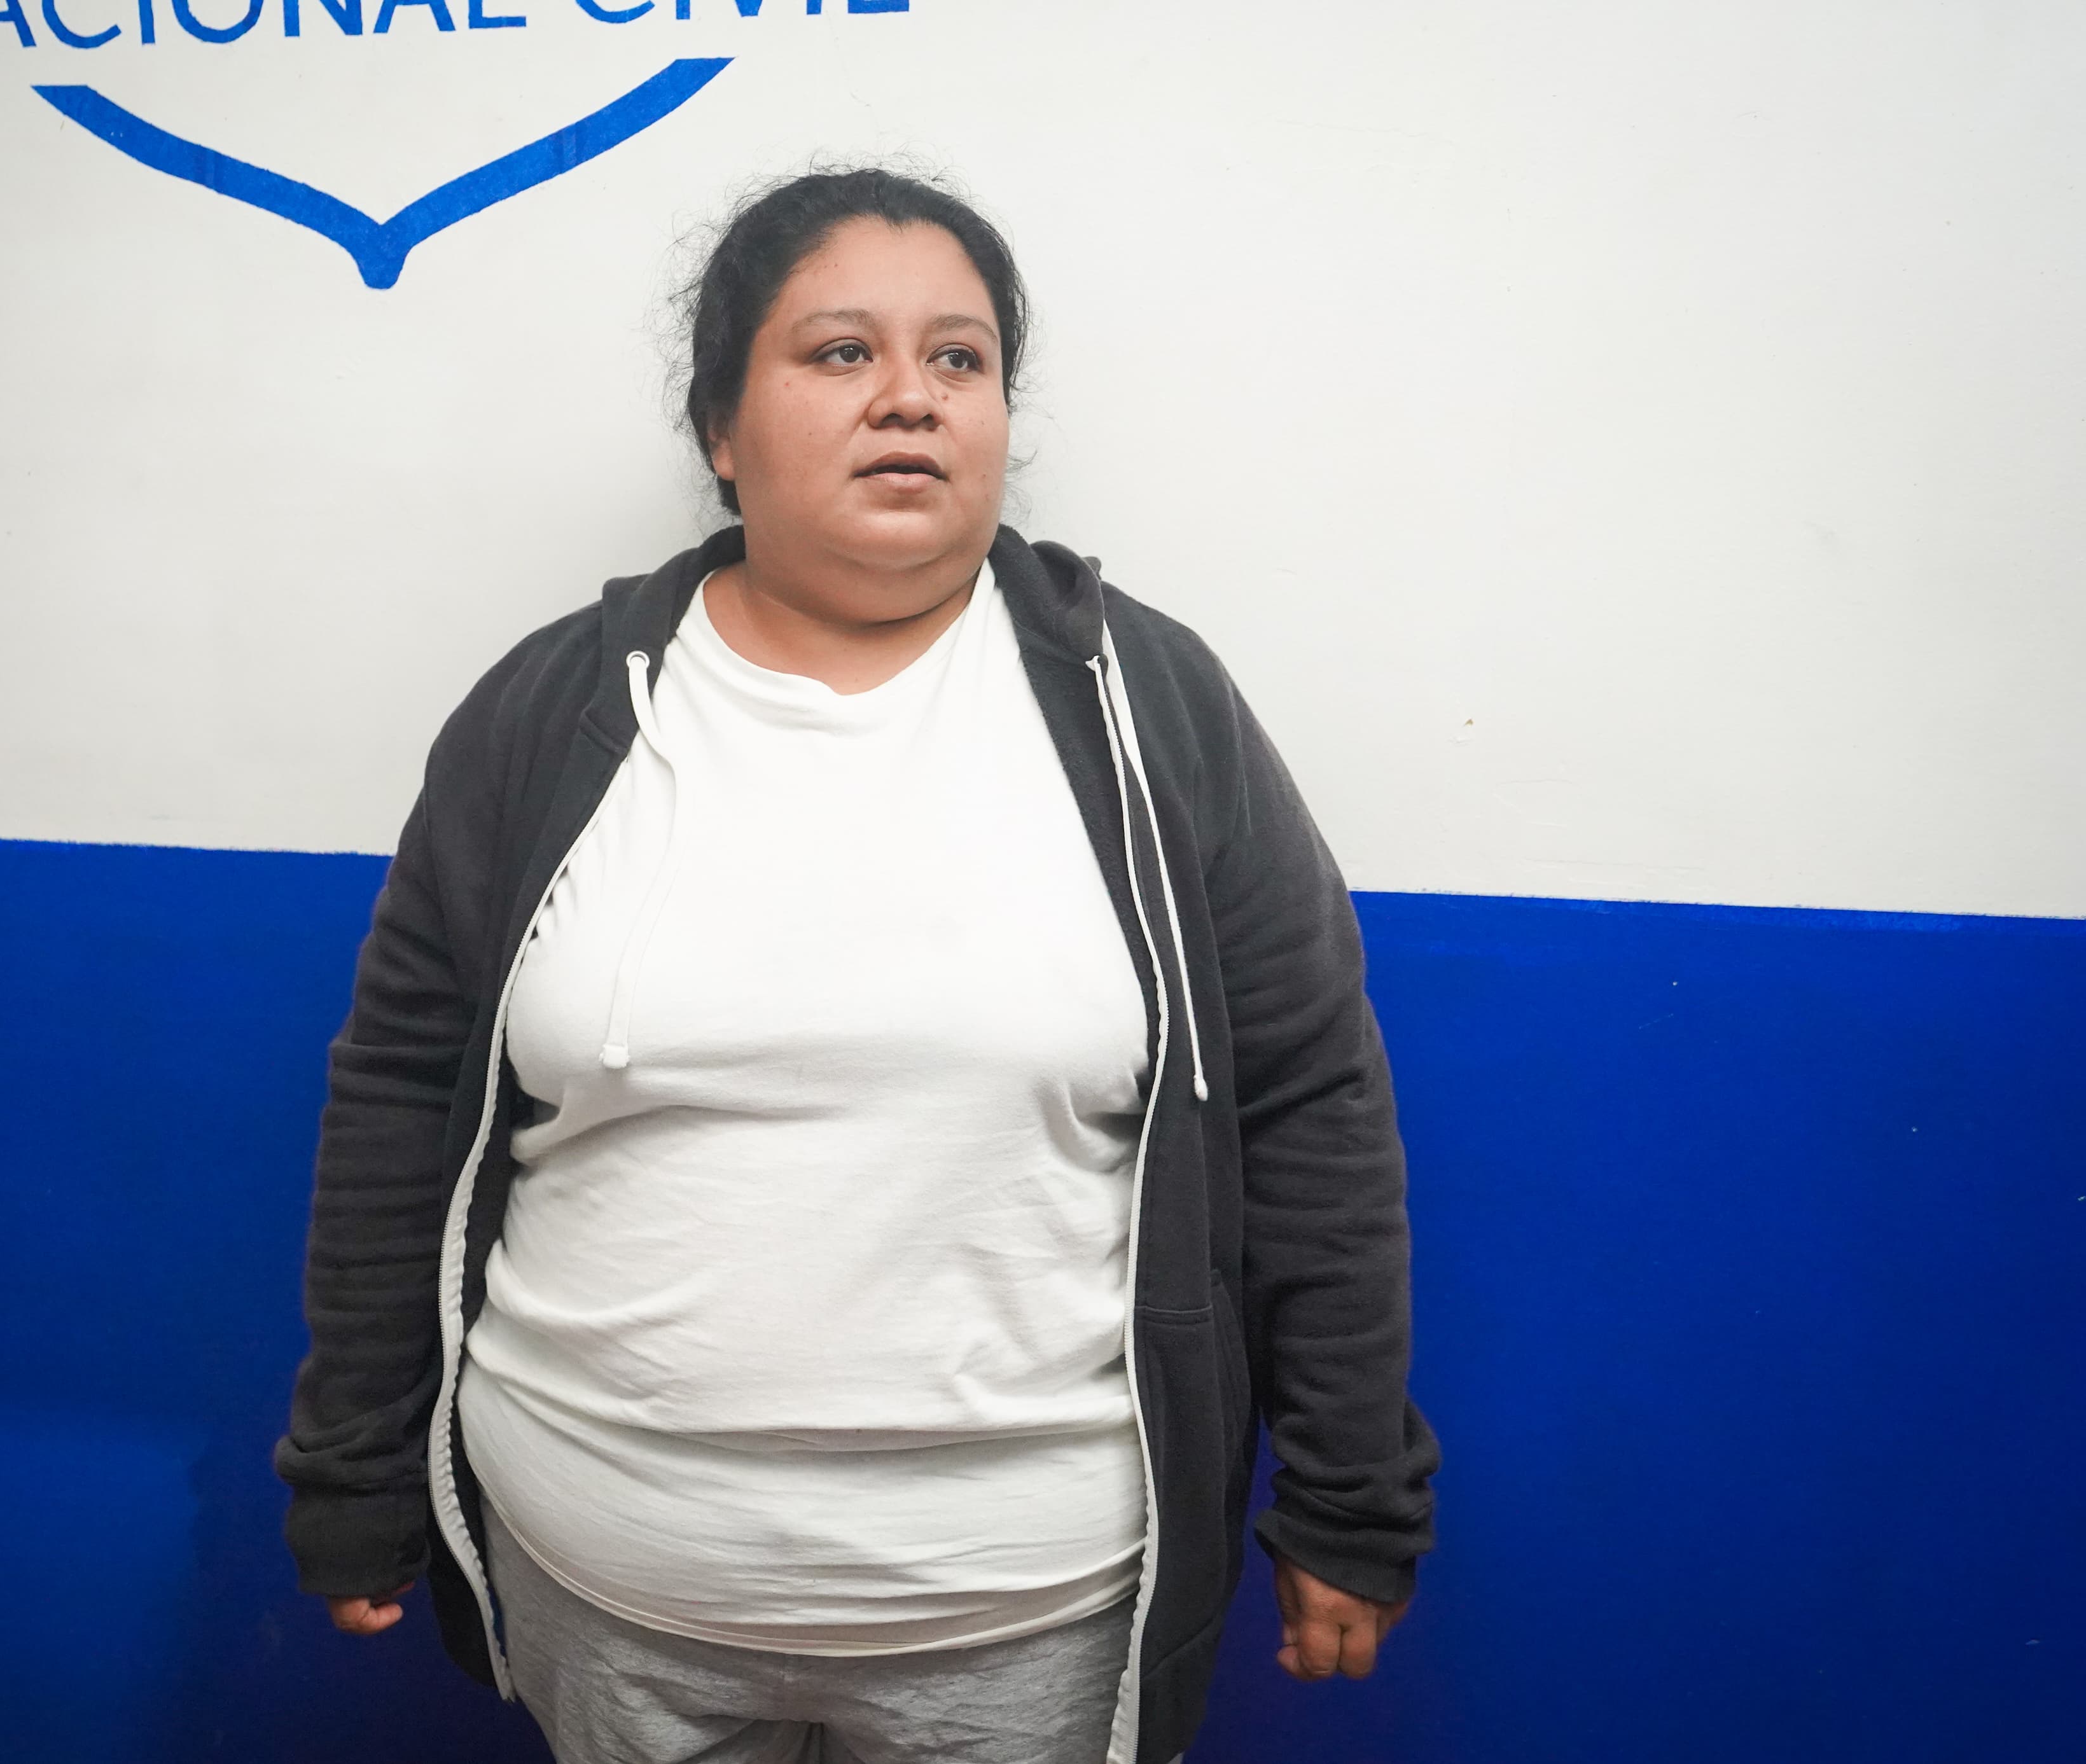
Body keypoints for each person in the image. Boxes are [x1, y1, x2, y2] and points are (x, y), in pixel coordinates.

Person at [275, 167, 1438, 1764]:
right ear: (720, 427)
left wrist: (1350, 1492)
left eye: (959, 358)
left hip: (1023, 1618)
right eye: (840, 352)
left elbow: (1310, 1107)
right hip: (609, 1588)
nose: (910, 396)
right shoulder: (551, 714)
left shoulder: (1150, 708)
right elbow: (403, 1107)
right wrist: (353, 1461)